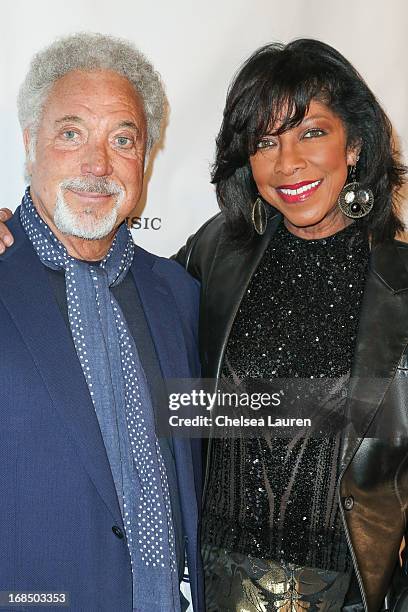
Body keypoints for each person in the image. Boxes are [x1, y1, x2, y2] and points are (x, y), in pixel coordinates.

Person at [1, 38, 408, 612]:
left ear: (356, 143)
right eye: (266, 141)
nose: (288, 162)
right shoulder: (219, 256)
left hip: (347, 593)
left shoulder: (401, 287)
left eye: (311, 132)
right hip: (218, 589)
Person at [0, 33, 203, 612]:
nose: (98, 164)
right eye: (71, 134)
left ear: (145, 158)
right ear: (28, 143)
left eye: (123, 139)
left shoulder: (179, 293)